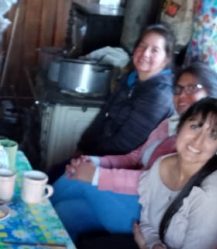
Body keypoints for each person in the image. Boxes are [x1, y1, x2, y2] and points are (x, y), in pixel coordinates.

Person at [57, 99, 217, 249]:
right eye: (195, 126)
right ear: (180, 127)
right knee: (92, 248)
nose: (198, 140)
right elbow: (147, 220)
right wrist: (152, 244)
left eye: (212, 135)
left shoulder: (214, 193)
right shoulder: (162, 165)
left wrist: (147, 248)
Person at [51, 64, 217, 240]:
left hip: (156, 214)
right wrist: (95, 162)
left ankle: (29, 213)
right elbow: (135, 157)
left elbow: (157, 182)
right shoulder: (170, 124)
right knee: (66, 212)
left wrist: (97, 176)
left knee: (82, 181)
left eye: (191, 88)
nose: (181, 96)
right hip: (134, 198)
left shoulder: (211, 140)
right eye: (178, 89)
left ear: (212, 92)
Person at [74, 23, 177, 157]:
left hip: (124, 164)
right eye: (142, 46)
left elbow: (126, 144)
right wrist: (82, 147)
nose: (145, 54)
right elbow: (104, 115)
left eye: (155, 50)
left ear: (166, 60)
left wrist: (89, 158)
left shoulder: (159, 95)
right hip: (100, 153)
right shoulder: (131, 78)